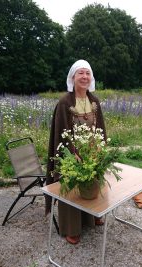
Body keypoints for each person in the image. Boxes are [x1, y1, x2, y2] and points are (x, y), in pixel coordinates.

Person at [46, 59, 107, 244]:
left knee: (94, 184)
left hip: (91, 151)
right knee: (71, 185)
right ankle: (71, 228)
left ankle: (92, 215)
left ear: (91, 78)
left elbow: (101, 128)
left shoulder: (94, 100)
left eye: (87, 73)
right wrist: (74, 154)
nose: (84, 77)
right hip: (71, 153)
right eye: (80, 73)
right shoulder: (65, 102)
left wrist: (99, 148)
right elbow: (61, 134)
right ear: (73, 77)